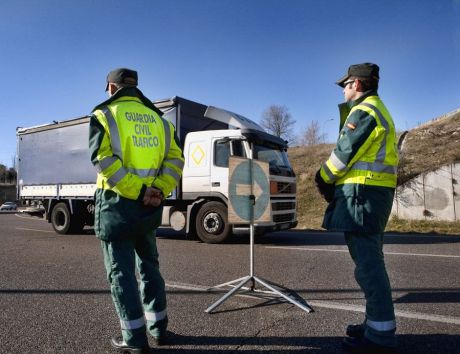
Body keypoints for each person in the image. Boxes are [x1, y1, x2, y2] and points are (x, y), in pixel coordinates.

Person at [89, 68, 184, 353]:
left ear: (110, 87)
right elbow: (175, 161)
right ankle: (159, 329)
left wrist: (138, 191)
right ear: (135, 86)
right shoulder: (160, 120)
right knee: (149, 267)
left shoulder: (104, 115)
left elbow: (103, 161)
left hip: (117, 204)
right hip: (149, 207)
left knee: (121, 273)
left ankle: (133, 339)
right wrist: (158, 190)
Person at [315, 63, 398, 354]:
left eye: (346, 84)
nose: (344, 89)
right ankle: (376, 323)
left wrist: (322, 177)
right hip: (371, 194)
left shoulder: (365, 111)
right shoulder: (376, 109)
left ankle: (380, 337)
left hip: (364, 196)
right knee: (371, 262)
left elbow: (343, 154)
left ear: (358, 84)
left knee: (368, 266)